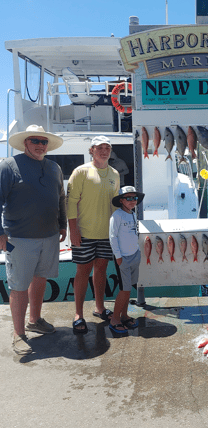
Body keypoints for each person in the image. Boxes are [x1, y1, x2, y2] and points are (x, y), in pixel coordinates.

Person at [0, 125, 66, 355]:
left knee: (40, 278)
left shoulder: (55, 167)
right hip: (18, 238)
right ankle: (19, 334)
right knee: (18, 286)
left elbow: (60, 198)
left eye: (43, 141)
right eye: (35, 140)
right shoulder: (8, 166)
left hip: (49, 236)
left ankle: (35, 320)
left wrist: (63, 223)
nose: (40, 145)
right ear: (25, 143)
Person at [67, 135, 120, 334]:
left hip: (106, 233)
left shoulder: (115, 174)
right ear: (92, 150)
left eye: (107, 147)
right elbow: (71, 201)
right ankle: (78, 314)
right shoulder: (81, 171)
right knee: (82, 272)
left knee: (101, 270)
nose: (104, 151)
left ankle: (99, 308)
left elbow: (116, 205)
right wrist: (74, 230)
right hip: (84, 233)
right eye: (99, 147)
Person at [109, 186, 145, 335]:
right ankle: (115, 319)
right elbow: (113, 237)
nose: (132, 201)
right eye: (128, 198)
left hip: (134, 255)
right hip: (122, 258)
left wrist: (137, 252)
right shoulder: (116, 216)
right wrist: (118, 256)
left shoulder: (133, 214)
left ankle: (124, 316)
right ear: (121, 200)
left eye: (134, 198)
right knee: (125, 290)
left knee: (128, 288)